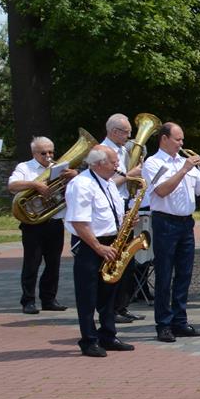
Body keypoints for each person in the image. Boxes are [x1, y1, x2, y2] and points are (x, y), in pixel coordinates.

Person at [142, 123, 200, 343]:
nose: (182, 144)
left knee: (185, 273)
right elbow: (161, 191)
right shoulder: (153, 163)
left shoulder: (184, 162)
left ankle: (180, 321)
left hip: (186, 223)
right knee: (164, 274)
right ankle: (163, 324)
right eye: (178, 139)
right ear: (164, 139)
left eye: (182, 140)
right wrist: (184, 170)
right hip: (165, 223)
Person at [64, 147, 133, 357]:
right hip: (90, 244)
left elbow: (111, 213)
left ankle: (108, 335)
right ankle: (89, 340)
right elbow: (79, 221)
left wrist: (127, 221)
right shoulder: (81, 184)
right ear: (98, 163)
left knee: (109, 292)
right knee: (88, 294)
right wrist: (98, 247)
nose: (117, 166)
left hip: (111, 241)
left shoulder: (110, 183)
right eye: (113, 162)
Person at [7, 136, 73, 315]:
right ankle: (28, 301)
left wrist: (73, 177)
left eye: (51, 152)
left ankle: (49, 299)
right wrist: (35, 185)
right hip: (33, 223)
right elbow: (12, 185)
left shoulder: (59, 168)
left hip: (54, 221)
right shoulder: (25, 167)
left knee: (53, 263)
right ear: (34, 153)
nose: (48, 156)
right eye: (43, 153)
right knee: (32, 263)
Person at [98, 114, 145, 323]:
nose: (130, 136)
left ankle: (122, 306)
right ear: (114, 132)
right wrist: (130, 175)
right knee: (113, 257)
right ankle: (110, 309)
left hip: (125, 204)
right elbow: (102, 182)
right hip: (109, 206)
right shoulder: (99, 152)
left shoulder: (125, 150)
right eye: (127, 132)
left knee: (126, 258)